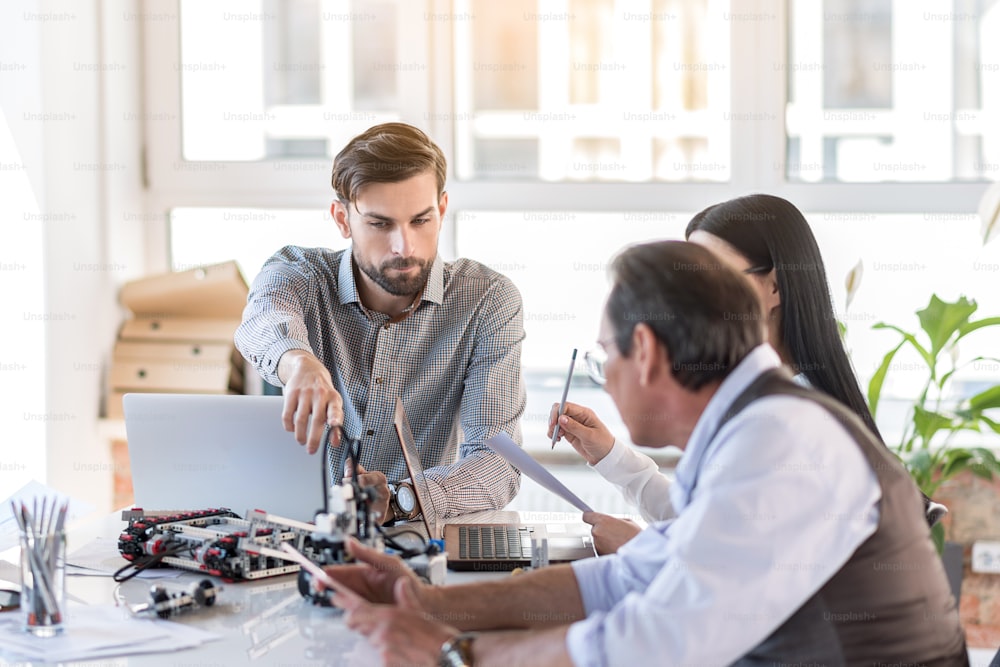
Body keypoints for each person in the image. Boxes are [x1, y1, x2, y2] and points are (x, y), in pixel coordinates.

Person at [317, 240, 966, 665]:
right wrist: (429, 601)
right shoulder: (754, 429)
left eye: (606, 355)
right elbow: (626, 578)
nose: (606, 373)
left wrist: (455, 652)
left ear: (647, 352)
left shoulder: (781, 440)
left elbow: (660, 642)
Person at [554, 194, 944, 553]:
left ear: (774, 286)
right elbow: (716, 524)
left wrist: (645, 550)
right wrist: (609, 455)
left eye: (713, 275)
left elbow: (739, 563)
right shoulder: (755, 396)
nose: (692, 297)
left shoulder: (789, 419)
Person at [235, 122, 525, 523]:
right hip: (293, 536)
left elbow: (499, 463)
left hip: (411, 538)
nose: (403, 246)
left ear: (441, 210)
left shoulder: (487, 301)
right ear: (342, 218)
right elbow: (263, 319)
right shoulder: (298, 272)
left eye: (420, 221)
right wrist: (297, 362)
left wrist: (399, 498)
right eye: (380, 224)